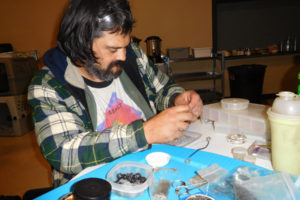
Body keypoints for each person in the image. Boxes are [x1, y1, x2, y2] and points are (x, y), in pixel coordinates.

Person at [28, 0, 203, 188]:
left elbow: (162, 88)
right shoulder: (48, 85)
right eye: (113, 49)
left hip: (155, 167)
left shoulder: (132, 54)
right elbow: (64, 152)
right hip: (96, 184)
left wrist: (176, 98)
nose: (123, 56)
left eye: (125, 46)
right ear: (81, 43)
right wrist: (145, 133)